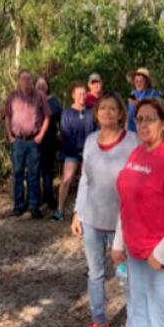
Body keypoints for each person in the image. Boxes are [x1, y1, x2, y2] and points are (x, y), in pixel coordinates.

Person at [111, 98, 164, 327]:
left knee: (161, 322)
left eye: (150, 119)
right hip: (135, 252)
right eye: (139, 119)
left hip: (162, 257)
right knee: (137, 314)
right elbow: (126, 202)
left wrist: (161, 254)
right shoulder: (137, 153)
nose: (144, 125)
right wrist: (119, 242)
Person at [71, 94, 137, 327]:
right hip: (91, 221)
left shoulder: (132, 142)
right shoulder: (90, 141)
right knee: (95, 274)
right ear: (96, 114)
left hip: (121, 226)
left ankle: (135, 322)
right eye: (103, 108)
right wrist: (77, 212)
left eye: (112, 109)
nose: (107, 112)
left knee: (126, 277)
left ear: (121, 114)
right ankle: (99, 322)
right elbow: (84, 180)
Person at [4, 70, 51, 218]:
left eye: (29, 79)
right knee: (18, 173)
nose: (26, 81)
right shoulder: (12, 96)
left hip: (33, 141)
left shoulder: (40, 96)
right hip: (17, 141)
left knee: (34, 174)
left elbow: (48, 117)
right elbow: (7, 116)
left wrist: (41, 135)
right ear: (18, 81)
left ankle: (33, 205)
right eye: (23, 79)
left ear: (32, 81)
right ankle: (19, 205)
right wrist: (10, 136)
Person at [52, 82, 97, 222]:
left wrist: (88, 152)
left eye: (84, 94)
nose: (82, 97)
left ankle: (85, 212)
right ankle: (59, 210)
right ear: (73, 96)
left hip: (89, 153)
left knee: (88, 181)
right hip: (71, 151)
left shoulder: (92, 111)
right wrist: (78, 151)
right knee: (66, 180)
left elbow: (96, 132)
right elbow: (66, 134)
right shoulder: (67, 113)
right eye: (79, 94)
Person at [36, 75, 62, 210]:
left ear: (48, 86)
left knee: (48, 171)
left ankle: (49, 197)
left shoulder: (54, 101)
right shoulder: (31, 99)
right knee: (34, 171)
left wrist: (62, 136)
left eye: (43, 84)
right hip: (33, 140)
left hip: (49, 140)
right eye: (38, 84)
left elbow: (61, 120)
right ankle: (34, 199)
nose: (41, 86)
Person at [126, 68, 162, 132]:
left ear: (147, 82)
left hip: (147, 131)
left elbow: (158, 113)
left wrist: (139, 104)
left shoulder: (154, 94)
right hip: (131, 132)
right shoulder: (132, 94)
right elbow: (128, 114)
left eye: (141, 81)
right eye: (136, 81)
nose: (138, 84)